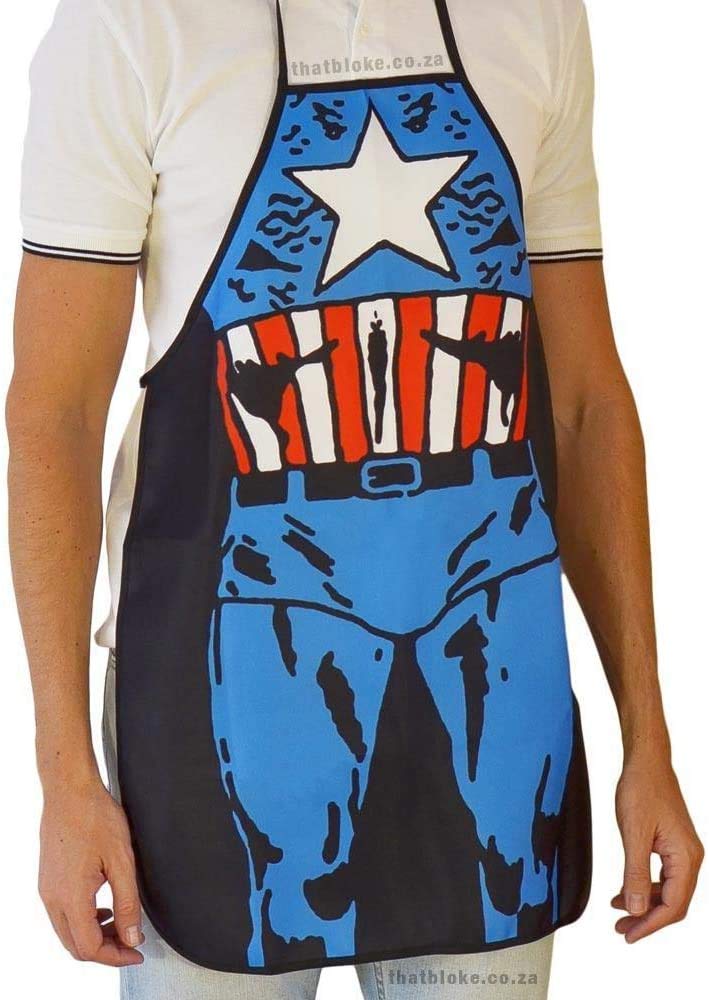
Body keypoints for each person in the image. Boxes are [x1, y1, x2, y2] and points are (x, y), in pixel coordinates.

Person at [7, 1, 703, 998]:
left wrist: (649, 740)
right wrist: (64, 772)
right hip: (244, 632)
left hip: (496, 622)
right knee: (269, 900)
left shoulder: (533, 15)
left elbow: (585, 404)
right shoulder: (133, 23)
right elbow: (54, 415)